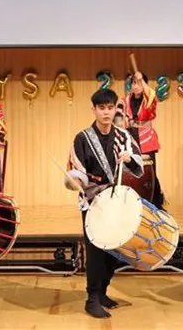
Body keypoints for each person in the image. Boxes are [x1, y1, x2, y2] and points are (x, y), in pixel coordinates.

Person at [64, 88, 144, 319]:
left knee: (114, 248)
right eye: (102, 108)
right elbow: (76, 170)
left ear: (115, 108)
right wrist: (75, 181)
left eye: (110, 107)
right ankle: (92, 298)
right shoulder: (83, 138)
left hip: (116, 199)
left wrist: (129, 158)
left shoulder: (123, 136)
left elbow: (137, 162)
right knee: (96, 249)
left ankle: (103, 292)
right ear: (94, 110)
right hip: (93, 200)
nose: (106, 112)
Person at [122, 71, 166, 209]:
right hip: (130, 136)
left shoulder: (148, 98)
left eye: (139, 83)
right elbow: (120, 115)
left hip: (146, 137)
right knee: (131, 170)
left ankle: (155, 202)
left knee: (150, 172)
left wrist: (143, 81)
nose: (136, 86)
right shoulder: (125, 100)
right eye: (134, 83)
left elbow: (151, 95)